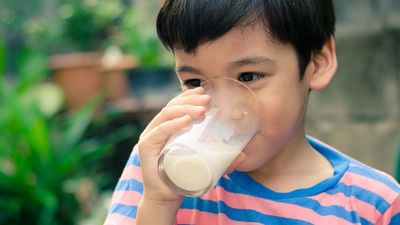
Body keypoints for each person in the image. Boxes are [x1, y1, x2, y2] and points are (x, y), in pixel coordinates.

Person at [104, 0, 400, 224]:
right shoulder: (157, 169)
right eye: (195, 82)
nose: (226, 109)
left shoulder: (372, 205)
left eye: (248, 77)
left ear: (318, 63)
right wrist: (157, 205)